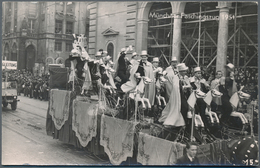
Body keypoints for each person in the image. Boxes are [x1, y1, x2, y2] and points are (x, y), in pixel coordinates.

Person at [158, 63, 186, 127]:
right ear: (181, 71)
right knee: (182, 107)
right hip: (178, 95)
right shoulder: (176, 77)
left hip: (180, 94)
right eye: (184, 71)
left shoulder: (180, 77)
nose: (185, 72)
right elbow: (176, 87)